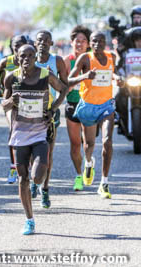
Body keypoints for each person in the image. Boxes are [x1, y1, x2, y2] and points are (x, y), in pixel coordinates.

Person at [2, 44, 68, 234]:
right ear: (17, 56)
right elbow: (4, 106)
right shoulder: (11, 77)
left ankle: (36, 184)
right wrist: (10, 111)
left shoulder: (45, 74)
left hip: (40, 131)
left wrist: (53, 109)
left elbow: (63, 89)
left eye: (31, 55)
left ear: (35, 58)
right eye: (23, 55)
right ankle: (29, 219)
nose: (27, 59)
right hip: (19, 133)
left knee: (37, 176)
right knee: (22, 178)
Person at [68, 31, 123, 199]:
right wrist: (85, 76)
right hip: (88, 106)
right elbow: (69, 80)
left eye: (101, 41)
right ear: (90, 43)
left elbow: (111, 72)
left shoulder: (111, 56)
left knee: (107, 141)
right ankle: (89, 162)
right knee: (89, 144)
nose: (98, 44)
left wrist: (117, 78)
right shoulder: (85, 58)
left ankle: (104, 183)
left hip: (106, 105)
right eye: (94, 41)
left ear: (105, 42)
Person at [30, 30, 68, 208]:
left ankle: (45, 188)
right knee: (31, 150)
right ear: (35, 43)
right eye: (40, 40)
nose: (43, 43)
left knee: (48, 153)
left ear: (51, 44)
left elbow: (64, 87)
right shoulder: (28, 59)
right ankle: (33, 181)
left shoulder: (57, 61)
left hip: (50, 112)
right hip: (30, 112)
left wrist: (54, 107)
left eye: (46, 40)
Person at [0, 35, 27, 184]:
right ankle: (13, 167)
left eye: (21, 45)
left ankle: (27, 166)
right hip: (10, 101)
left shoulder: (30, 61)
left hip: (28, 102)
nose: (18, 47)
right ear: (11, 46)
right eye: (15, 45)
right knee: (13, 131)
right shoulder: (5, 62)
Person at [64, 25, 91, 191]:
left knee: (88, 143)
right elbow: (62, 84)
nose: (79, 44)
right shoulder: (67, 60)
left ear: (88, 43)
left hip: (90, 106)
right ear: (71, 43)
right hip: (72, 104)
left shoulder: (93, 59)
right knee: (75, 144)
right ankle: (78, 175)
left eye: (83, 41)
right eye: (77, 41)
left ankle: (89, 164)